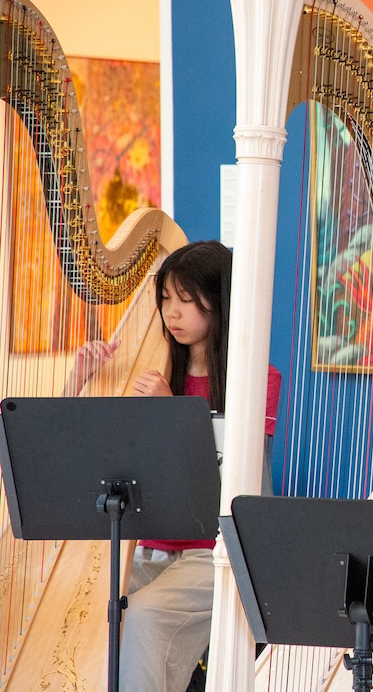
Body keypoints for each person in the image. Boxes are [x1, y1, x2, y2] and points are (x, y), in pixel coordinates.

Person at [66, 240, 282, 692]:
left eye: (186, 300)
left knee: (142, 616)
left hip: (212, 555)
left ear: (219, 302)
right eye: (165, 299)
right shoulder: (150, 370)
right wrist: (78, 381)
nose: (172, 313)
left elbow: (241, 487)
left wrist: (173, 418)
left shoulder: (258, 380)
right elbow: (88, 450)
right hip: (144, 547)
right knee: (84, 612)